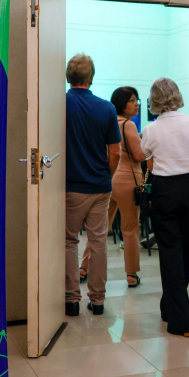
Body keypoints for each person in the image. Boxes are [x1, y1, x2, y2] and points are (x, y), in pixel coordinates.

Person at [141, 77, 189, 336]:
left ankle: (181, 320)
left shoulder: (150, 130)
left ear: (154, 100)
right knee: (186, 250)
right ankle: (169, 305)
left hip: (164, 191)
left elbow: (150, 167)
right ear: (177, 95)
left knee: (170, 251)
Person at [63, 54, 121, 316]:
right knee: (98, 242)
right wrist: (106, 176)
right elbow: (115, 153)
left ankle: (71, 299)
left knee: (68, 241)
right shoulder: (107, 108)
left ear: (68, 76)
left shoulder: (59, 104)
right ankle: (97, 301)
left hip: (71, 186)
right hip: (100, 186)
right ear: (92, 77)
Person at [80, 87, 145, 287]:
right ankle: (131, 274)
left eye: (137, 100)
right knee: (130, 229)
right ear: (122, 103)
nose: (137, 104)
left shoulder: (106, 121)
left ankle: (84, 267)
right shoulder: (128, 125)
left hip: (108, 179)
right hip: (128, 181)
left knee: (99, 229)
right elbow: (139, 156)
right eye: (132, 100)